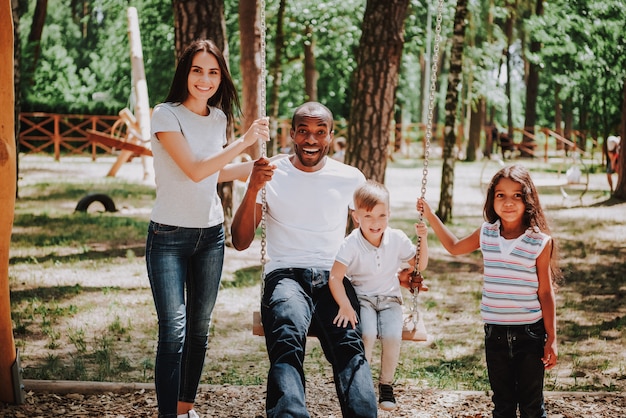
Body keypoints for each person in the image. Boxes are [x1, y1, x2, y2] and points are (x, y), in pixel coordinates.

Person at [146, 39, 270, 418]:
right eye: (197, 70)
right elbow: (194, 169)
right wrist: (246, 142)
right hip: (168, 235)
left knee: (199, 329)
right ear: (185, 72)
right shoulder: (165, 115)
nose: (205, 79)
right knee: (174, 332)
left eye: (213, 72)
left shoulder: (217, 118)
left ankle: (185, 409)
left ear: (221, 77)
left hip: (210, 235)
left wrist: (259, 166)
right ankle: (168, 414)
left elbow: (214, 174)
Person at [231, 102, 378, 417]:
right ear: (293, 134)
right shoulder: (269, 172)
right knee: (286, 340)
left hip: (333, 279)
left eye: (319, 132)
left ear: (330, 136)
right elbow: (241, 240)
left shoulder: (350, 178)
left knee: (350, 346)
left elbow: (368, 236)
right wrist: (254, 186)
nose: (311, 140)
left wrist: (396, 271)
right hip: (285, 277)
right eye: (304, 131)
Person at [417, 164, 560, 418]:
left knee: (531, 406)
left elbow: (546, 293)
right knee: (502, 405)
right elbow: (454, 246)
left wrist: (552, 338)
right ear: (492, 199)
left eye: (517, 195)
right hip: (494, 334)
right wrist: (429, 216)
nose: (508, 202)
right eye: (500, 195)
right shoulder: (487, 233)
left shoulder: (539, 241)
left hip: (530, 334)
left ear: (528, 199)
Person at [328, 180, 429, 411]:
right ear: (356, 217)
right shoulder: (350, 244)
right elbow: (334, 277)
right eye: (369, 216)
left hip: (390, 300)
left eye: (382, 216)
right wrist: (344, 305)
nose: (376, 223)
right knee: (368, 334)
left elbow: (419, 265)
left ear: (389, 214)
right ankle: (361, 386)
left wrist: (423, 239)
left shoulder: (397, 238)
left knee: (393, 336)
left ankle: (386, 385)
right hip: (363, 299)